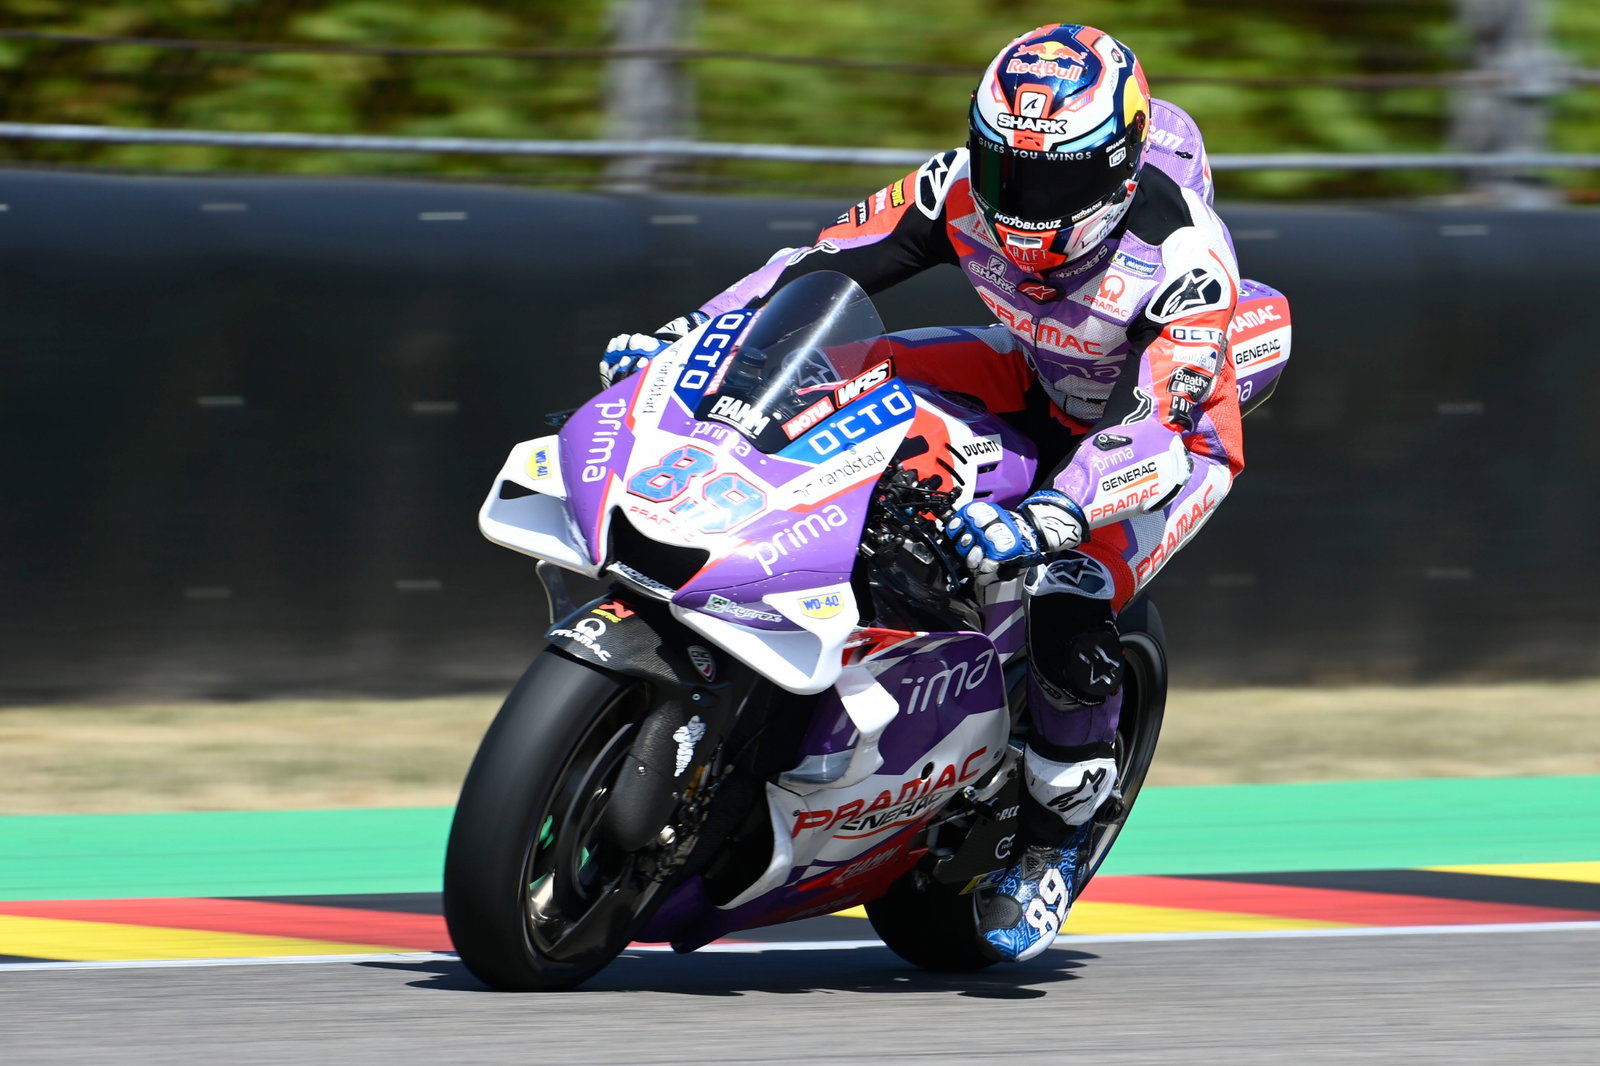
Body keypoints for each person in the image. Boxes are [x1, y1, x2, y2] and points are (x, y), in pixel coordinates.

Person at [601, 23, 1250, 963]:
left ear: (1117, 170)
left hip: (1163, 442)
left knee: (1066, 585)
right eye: (1003, 168)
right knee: (843, 375)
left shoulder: (1184, 258)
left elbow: (1155, 425)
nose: (1020, 202)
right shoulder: (954, 186)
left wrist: (1060, 511)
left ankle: (1054, 842)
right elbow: (818, 265)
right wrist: (689, 336)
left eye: (1053, 181)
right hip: (1036, 376)